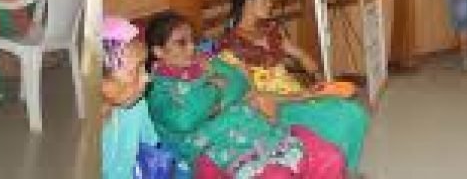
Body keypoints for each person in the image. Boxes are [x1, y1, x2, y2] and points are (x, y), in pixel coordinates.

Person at [146, 10, 347, 179]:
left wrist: (214, 104)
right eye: (181, 43)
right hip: (214, 145)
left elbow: (239, 83)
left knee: (331, 158)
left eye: (192, 40)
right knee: (277, 175)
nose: (192, 47)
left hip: (249, 125)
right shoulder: (157, 87)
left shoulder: (205, 61)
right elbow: (184, 120)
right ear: (158, 51)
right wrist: (214, 89)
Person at [218, 0, 369, 173]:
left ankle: (342, 170)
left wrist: (319, 79)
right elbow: (253, 96)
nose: (271, 3)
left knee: (354, 113)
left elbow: (302, 56)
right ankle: (330, 169)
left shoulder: (269, 30)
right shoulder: (231, 45)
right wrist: (303, 95)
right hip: (273, 108)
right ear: (248, 3)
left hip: (298, 95)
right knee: (339, 120)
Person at [101, 16, 160, 179]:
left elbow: (150, 146)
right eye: (137, 70)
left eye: (145, 67)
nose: (147, 78)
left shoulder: (137, 105)